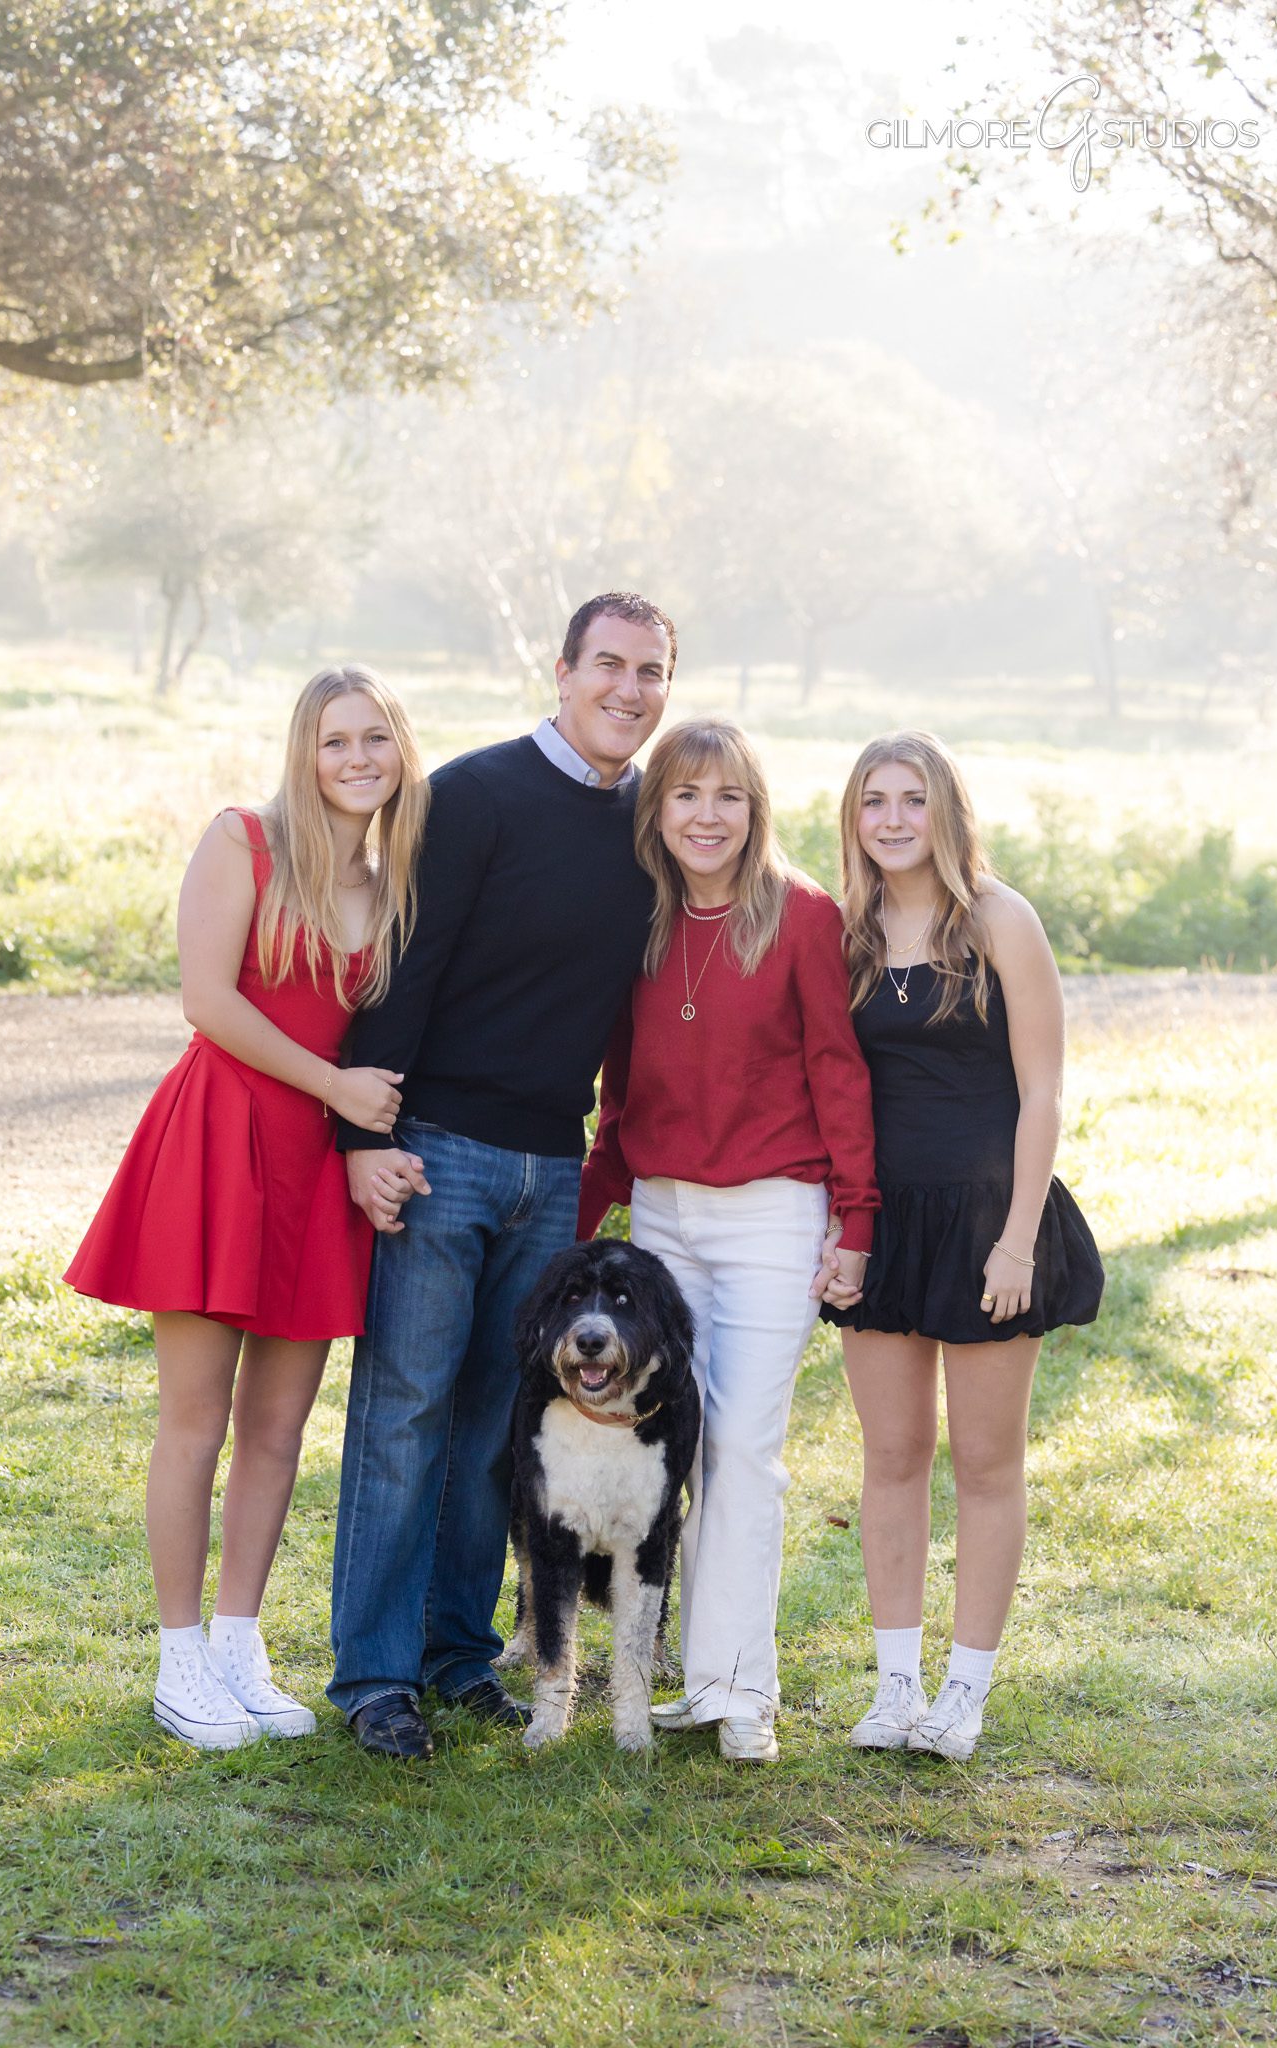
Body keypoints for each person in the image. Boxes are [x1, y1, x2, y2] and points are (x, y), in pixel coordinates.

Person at [330, 591, 676, 1761]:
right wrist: (365, 1139)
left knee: (500, 1420)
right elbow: (405, 963)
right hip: (437, 1148)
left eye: (651, 673)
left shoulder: (648, 823)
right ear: (564, 668)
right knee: (404, 1412)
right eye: (610, 667)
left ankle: (458, 1654)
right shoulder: (471, 794)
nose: (629, 691)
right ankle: (375, 1675)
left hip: (553, 1161)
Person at [65, 666, 427, 1749]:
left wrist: (361, 1135)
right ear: (301, 752)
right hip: (223, 1138)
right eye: (334, 741)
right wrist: (334, 1089)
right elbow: (206, 999)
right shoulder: (245, 841)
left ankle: (237, 1642)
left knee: (277, 1428)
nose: (357, 758)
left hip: (317, 1167)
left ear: (401, 751)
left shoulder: (396, 881)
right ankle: (179, 1656)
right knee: (197, 1416)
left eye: (376, 738)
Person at [577, 715, 878, 1764]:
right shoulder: (641, 922)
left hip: (772, 1212)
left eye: (729, 796)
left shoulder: (802, 918)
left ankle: (743, 1689)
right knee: (682, 1444)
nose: (707, 816)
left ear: (756, 810)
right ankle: (697, 1669)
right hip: (662, 1214)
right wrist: (588, 1203)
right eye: (686, 795)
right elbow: (620, 1087)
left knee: (746, 1443)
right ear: (656, 810)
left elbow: (839, 1070)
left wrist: (857, 1216)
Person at [820, 730, 1103, 1762]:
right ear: (853, 818)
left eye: (912, 799)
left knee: (986, 1462)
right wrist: (837, 1223)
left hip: (989, 1220)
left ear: (947, 810)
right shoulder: (843, 931)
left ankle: (963, 1691)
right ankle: (895, 1687)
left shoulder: (997, 918)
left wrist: (1020, 1239)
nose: (893, 819)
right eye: (873, 802)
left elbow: (1043, 1091)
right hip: (883, 1226)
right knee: (891, 1456)